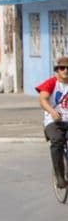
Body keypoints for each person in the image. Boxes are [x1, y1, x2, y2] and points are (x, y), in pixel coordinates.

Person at [36, 56, 68, 189]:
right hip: (53, 121)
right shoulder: (51, 83)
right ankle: (59, 176)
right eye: (62, 68)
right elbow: (43, 99)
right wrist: (52, 111)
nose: (66, 70)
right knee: (57, 140)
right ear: (57, 70)